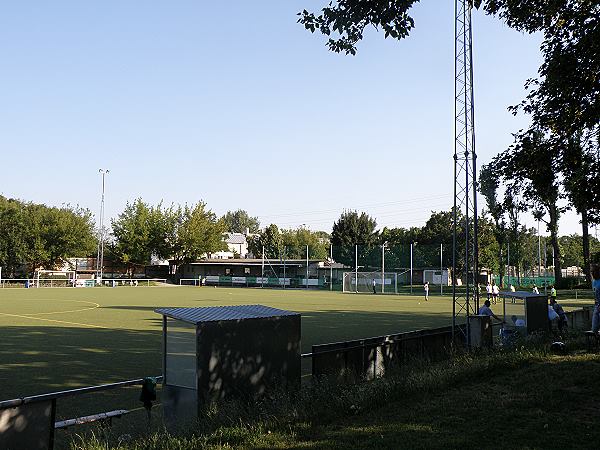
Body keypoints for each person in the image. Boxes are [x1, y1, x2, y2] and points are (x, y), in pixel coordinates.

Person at [592, 265, 600, 333]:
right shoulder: (594, 282)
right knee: (594, 328)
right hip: (597, 306)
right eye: (592, 271)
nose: (593, 273)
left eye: (595, 271)